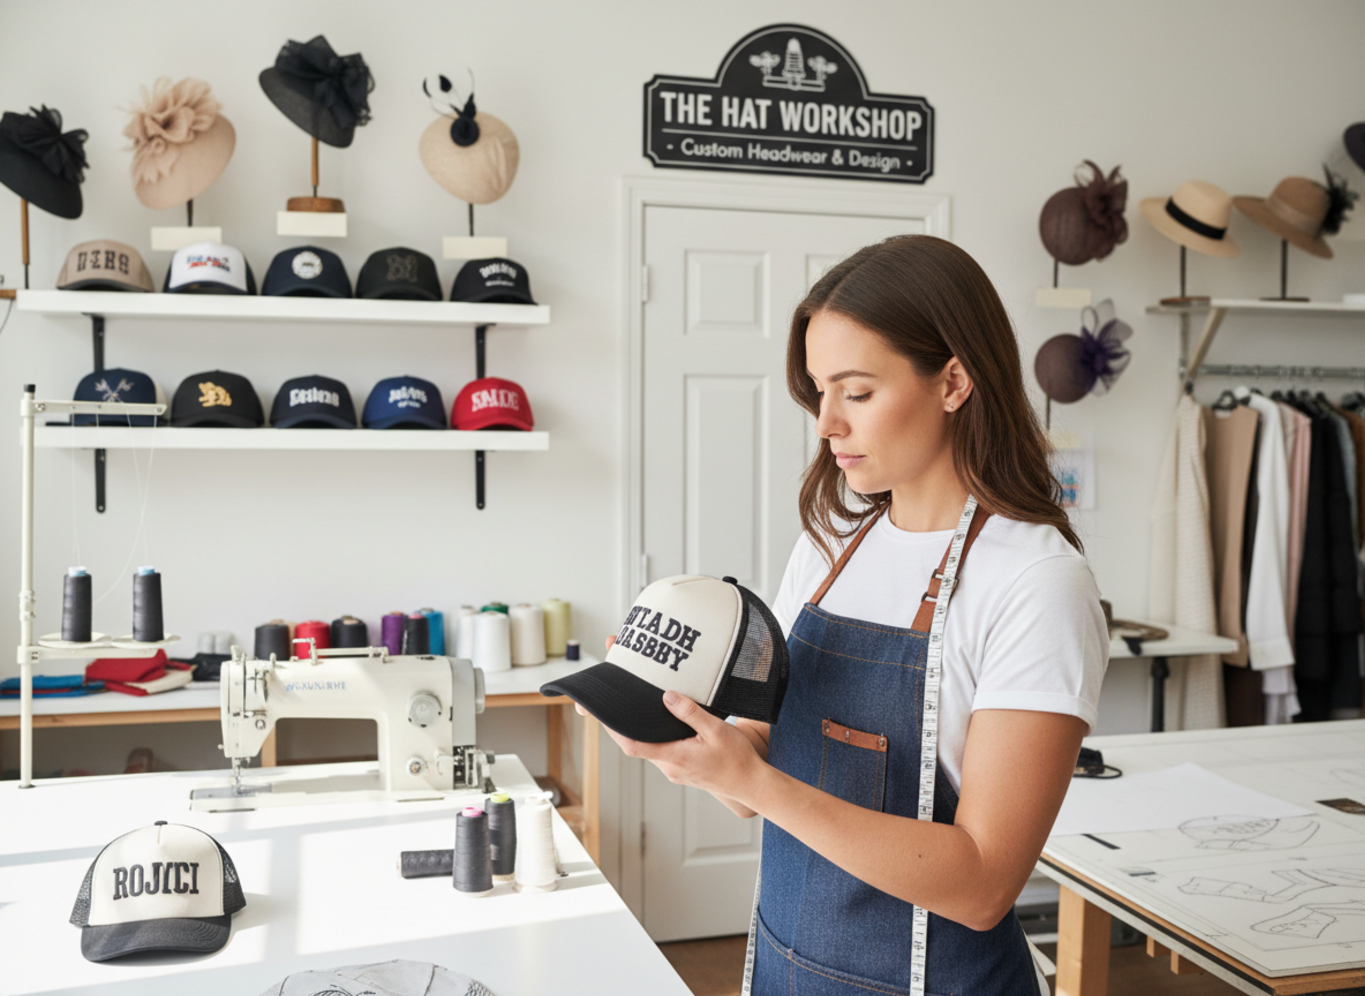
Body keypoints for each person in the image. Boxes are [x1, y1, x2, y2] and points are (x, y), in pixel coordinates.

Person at [593, 235, 1108, 995]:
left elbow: (982, 884)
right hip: (783, 966)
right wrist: (680, 743)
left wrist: (757, 784)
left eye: (856, 392)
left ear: (954, 381)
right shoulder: (829, 550)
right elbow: (751, 780)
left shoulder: (1034, 582)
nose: (826, 423)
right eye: (818, 391)